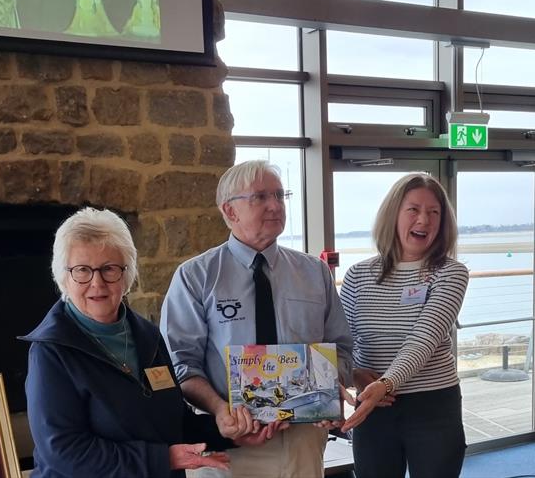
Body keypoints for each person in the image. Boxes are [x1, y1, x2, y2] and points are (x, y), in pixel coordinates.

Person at [22, 207, 260, 478]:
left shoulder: (147, 336)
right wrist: (164, 458)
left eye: (109, 268)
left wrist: (229, 432)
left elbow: (176, 424)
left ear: (127, 275)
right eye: (82, 270)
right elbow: (64, 452)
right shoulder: (51, 351)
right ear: (64, 277)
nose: (97, 282)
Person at [161, 160, 354, 478]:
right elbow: (180, 365)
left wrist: (330, 392)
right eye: (260, 197)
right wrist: (220, 410)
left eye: (280, 195)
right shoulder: (196, 277)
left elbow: (342, 348)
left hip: (302, 441)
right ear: (230, 211)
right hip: (230, 443)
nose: (275, 205)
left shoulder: (313, 272)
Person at [339, 173, 468, 478]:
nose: (424, 219)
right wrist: (356, 373)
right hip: (373, 406)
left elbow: (423, 340)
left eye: (434, 212)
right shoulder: (358, 275)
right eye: (413, 209)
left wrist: (385, 383)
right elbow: (343, 340)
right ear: (393, 215)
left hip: (432, 407)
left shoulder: (451, 273)